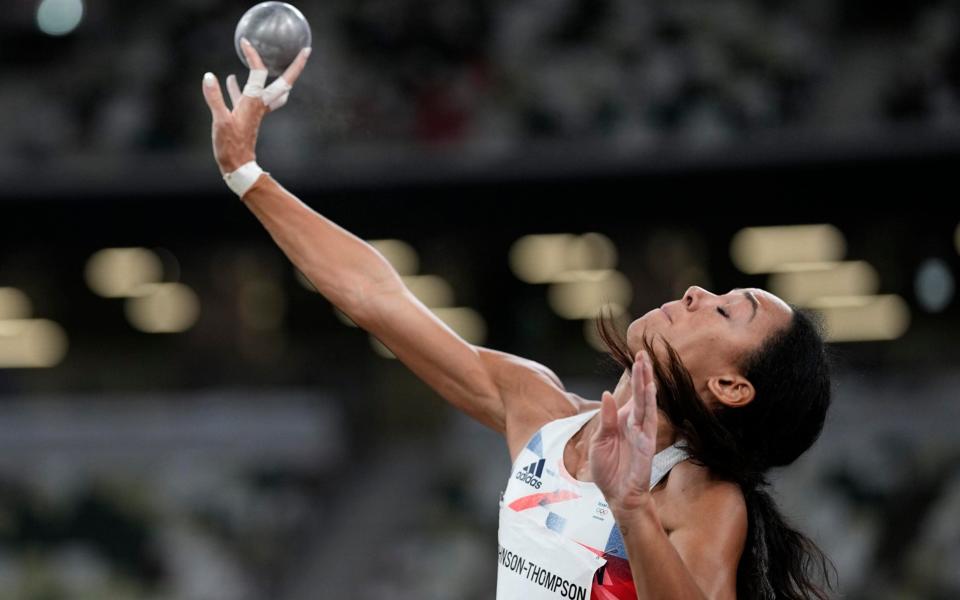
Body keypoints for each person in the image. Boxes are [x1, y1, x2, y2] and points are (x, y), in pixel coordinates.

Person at [201, 42, 836, 600]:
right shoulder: (539, 413)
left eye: (728, 309)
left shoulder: (699, 501)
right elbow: (377, 296)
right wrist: (247, 175)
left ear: (731, 386)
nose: (699, 291)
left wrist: (633, 507)